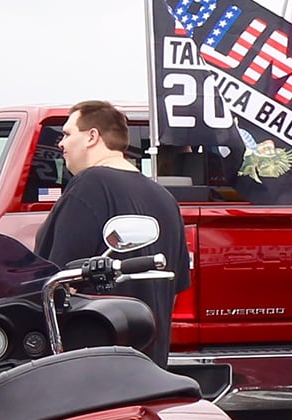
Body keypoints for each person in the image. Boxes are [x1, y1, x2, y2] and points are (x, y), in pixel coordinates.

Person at [36, 100, 188, 363]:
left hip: (97, 367)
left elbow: (57, 281)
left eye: (68, 134)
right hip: (151, 366)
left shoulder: (90, 184)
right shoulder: (165, 198)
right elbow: (174, 288)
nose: (61, 143)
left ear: (92, 136)